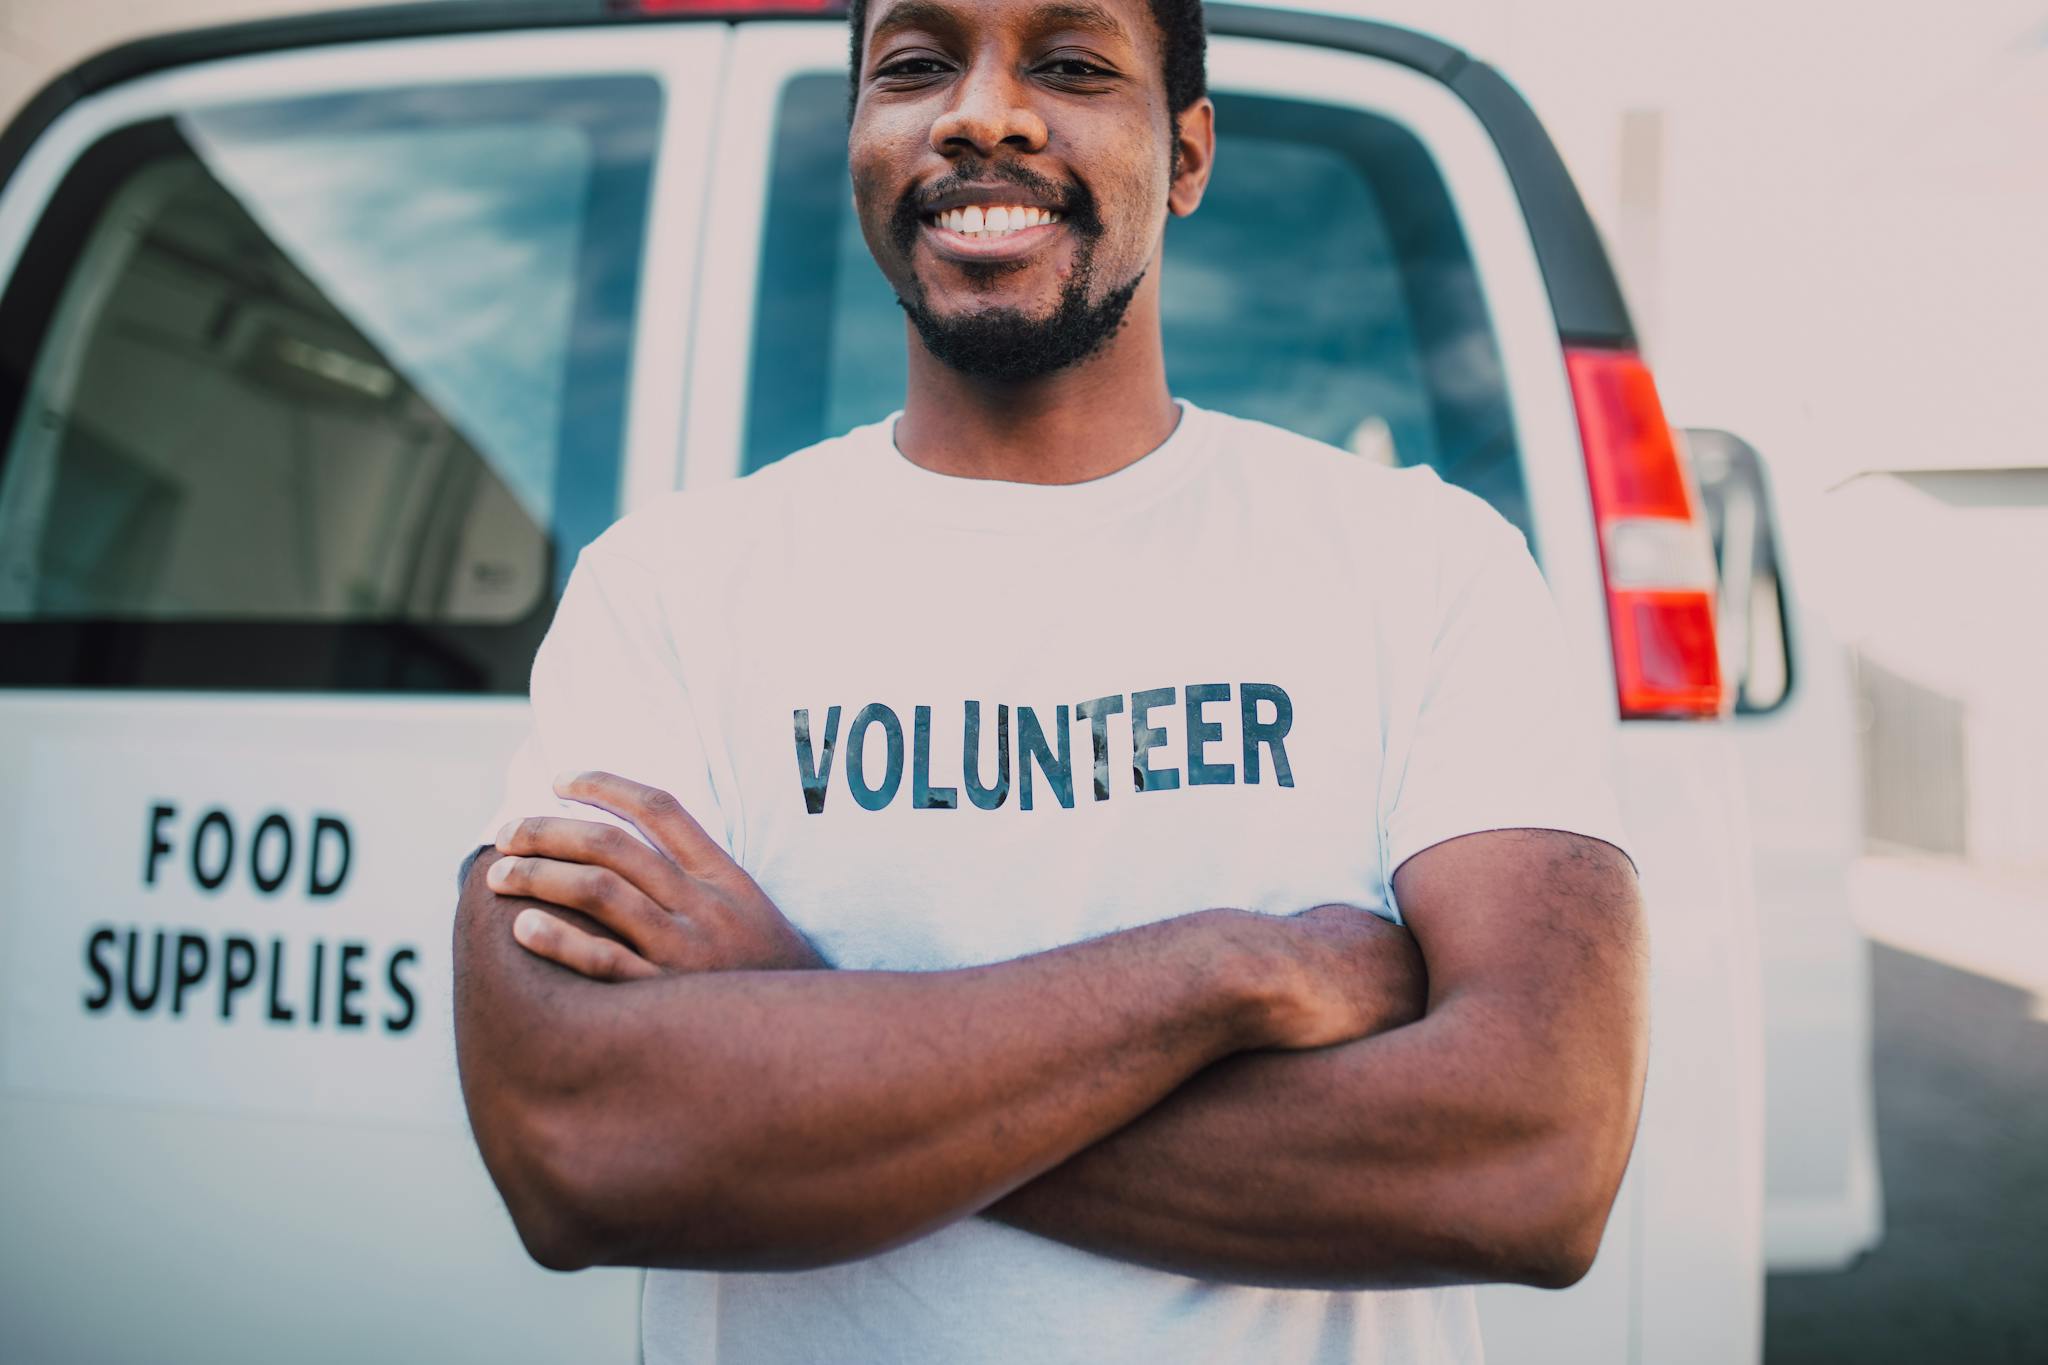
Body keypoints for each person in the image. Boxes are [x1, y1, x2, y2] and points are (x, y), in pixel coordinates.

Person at [451, 0, 1649, 1359]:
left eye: (1072, 64)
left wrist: (807, 1022)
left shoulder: (1423, 567)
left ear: (1187, 155)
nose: (981, 114)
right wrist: (1233, 968)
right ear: (858, 137)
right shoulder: (663, 592)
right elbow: (573, 1140)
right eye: (913, 66)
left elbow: (1537, 1155)